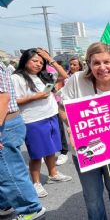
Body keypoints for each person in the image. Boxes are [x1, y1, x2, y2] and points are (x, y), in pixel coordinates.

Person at [59, 42, 110, 220]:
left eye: (106, 62)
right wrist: (72, 130)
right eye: (96, 63)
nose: (102, 67)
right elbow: (62, 108)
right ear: (89, 64)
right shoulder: (76, 80)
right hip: (84, 150)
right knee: (92, 197)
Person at [11, 48, 72, 198]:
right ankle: (36, 183)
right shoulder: (17, 78)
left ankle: (53, 174)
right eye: (34, 61)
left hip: (51, 115)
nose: (38, 64)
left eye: (41, 62)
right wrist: (35, 97)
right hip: (33, 120)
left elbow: (64, 76)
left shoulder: (43, 75)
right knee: (37, 154)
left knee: (51, 149)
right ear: (25, 60)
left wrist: (49, 59)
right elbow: (13, 100)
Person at [0, 61, 46, 220]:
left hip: (4, 124)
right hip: (8, 122)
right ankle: (4, 203)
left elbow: (3, 98)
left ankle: (30, 210)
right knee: (6, 169)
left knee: (9, 170)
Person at [56, 56, 84, 166]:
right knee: (72, 130)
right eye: (71, 64)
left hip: (82, 107)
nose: (72, 66)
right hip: (70, 107)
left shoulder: (84, 76)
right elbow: (59, 90)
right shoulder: (67, 77)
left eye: (75, 64)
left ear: (80, 66)